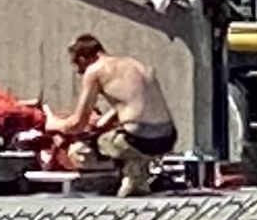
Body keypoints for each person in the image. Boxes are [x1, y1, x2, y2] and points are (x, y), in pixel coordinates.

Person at [51, 34, 177, 195]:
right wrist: (105, 121)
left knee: (82, 149)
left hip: (138, 138)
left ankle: (130, 172)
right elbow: (134, 103)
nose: (79, 71)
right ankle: (138, 171)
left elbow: (77, 124)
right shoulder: (136, 65)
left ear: (84, 57)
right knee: (117, 137)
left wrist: (54, 124)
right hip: (167, 137)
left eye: (77, 64)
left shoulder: (95, 70)